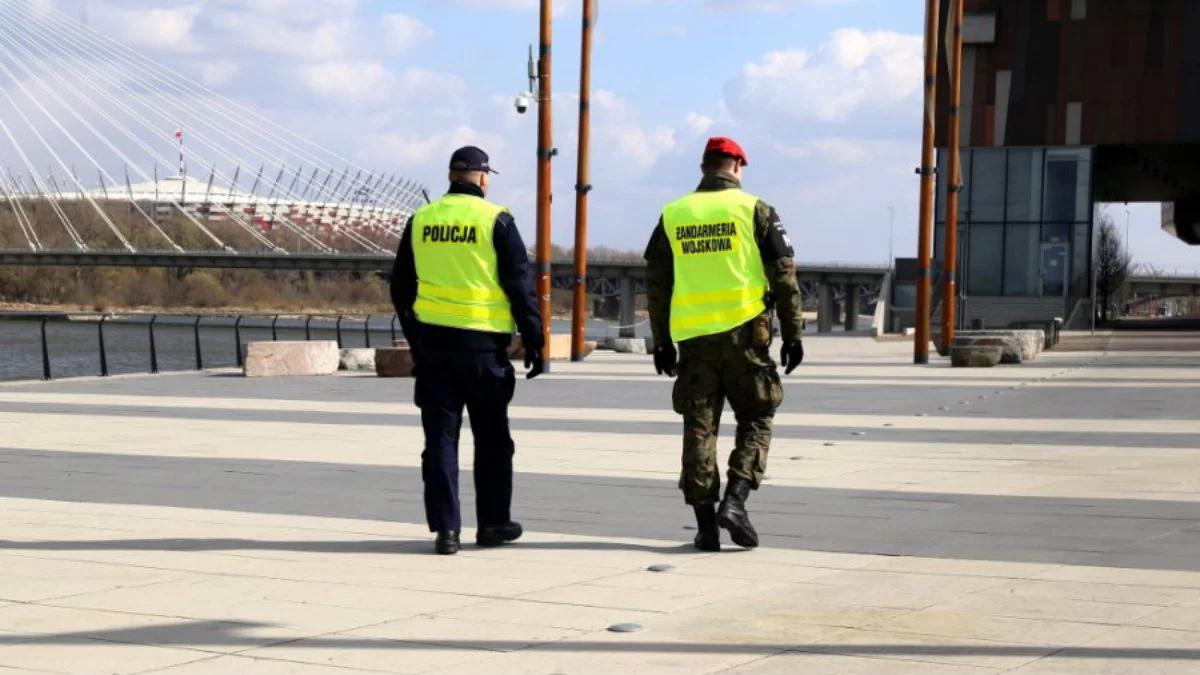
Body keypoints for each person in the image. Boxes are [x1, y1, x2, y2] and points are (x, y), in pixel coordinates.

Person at [643, 137, 805, 552]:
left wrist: (660, 340)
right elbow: (784, 278)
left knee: (699, 427)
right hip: (746, 339)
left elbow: (657, 284)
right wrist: (794, 333)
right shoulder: (754, 209)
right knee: (757, 418)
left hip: (693, 342)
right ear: (736, 167)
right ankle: (734, 502)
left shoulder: (674, 213)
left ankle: (705, 527)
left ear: (703, 168)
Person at [390, 146, 545, 555]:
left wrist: (417, 338)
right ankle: (493, 524)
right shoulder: (497, 219)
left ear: (451, 176)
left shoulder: (421, 220)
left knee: (440, 440)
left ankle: (446, 530)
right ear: (482, 177)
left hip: (435, 348)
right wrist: (534, 339)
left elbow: (401, 286)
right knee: (493, 439)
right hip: (484, 351)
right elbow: (519, 284)